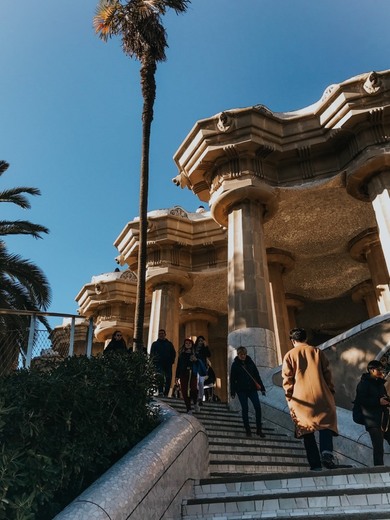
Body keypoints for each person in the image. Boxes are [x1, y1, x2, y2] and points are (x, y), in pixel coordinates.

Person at [282, 328, 338, 471]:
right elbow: (327, 374)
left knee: (307, 432)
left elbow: (287, 380)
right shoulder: (317, 352)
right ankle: (326, 452)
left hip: (301, 399)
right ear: (306, 339)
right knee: (325, 425)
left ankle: (315, 465)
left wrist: (289, 398)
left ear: (293, 341)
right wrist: (330, 391)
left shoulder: (289, 355)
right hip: (322, 395)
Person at [354, 359, 390, 466]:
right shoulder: (364, 384)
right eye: (380, 370)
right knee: (378, 447)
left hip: (384, 419)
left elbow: (383, 398)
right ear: (372, 370)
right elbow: (361, 400)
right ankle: (379, 470)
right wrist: (378, 401)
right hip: (372, 420)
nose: (382, 372)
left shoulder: (380, 384)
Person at [230, 346, 266, 437]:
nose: (243, 356)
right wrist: (232, 392)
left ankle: (259, 429)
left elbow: (257, 375)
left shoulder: (250, 362)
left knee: (258, 407)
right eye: (241, 354)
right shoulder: (235, 365)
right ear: (238, 355)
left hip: (252, 389)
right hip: (241, 390)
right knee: (245, 409)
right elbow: (232, 379)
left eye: (244, 354)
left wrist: (262, 388)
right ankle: (248, 430)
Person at [175, 338, 205, 414]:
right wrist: (177, 376)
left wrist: (196, 360)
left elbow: (201, 363)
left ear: (192, 345)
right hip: (183, 374)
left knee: (193, 389)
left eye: (189, 343)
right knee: (184, 391)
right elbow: (179, 366)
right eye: (186, 343)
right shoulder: (181, 355)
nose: (188, 345)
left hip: (193, 373)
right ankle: (188, 408)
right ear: (184, 345)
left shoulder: (195, 354)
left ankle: (195, 402)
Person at [150, 329, 176, 397]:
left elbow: (173, 353)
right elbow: (152, 354)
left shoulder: (169, 344)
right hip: (158, 364)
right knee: (160, 377)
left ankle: (166, 393)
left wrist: (171, 360)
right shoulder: (155, 344)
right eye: (160, 334)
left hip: (168, 363)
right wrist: (153, 362)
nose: (161, 335)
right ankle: (160, 391)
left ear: (165, 334)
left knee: (168, 378)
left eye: (162, 333)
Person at [194, 335, 211, 406]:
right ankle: (195, 396)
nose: (200, 342)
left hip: (202, 367)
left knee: (201, 382)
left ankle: (200, 397)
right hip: (195, 367)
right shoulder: (194, 348)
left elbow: (209, 355)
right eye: (199, 340)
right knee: (196, 382)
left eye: (202, 341)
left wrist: (206, 346)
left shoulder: (204, 349)